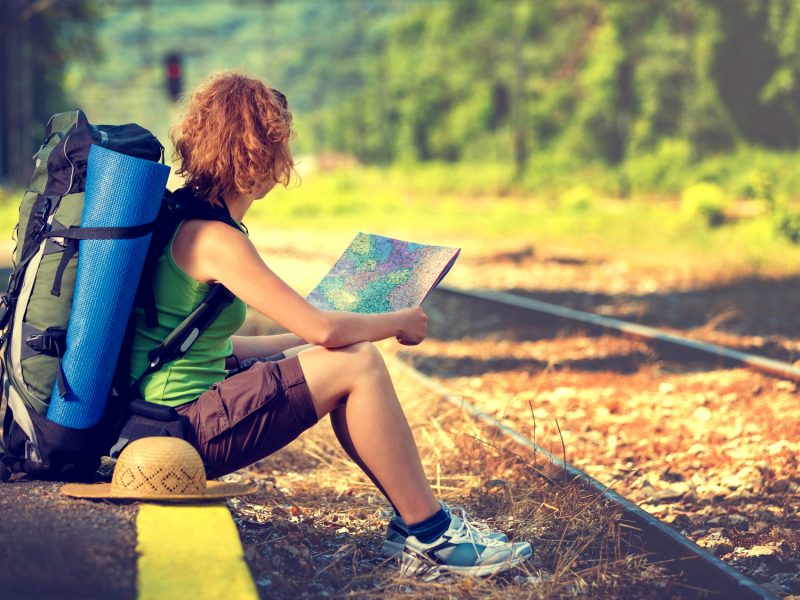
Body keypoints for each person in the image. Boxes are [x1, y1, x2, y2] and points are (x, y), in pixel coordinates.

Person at [129, 71, 532, 579]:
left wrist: (303, 341)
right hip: (181, 432)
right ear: (263, 156)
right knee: (358, 363)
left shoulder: (182, 220)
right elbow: (326, 332)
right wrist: (397, 321)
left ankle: (416, 527)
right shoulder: (216, 240)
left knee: (339, 360)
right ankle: (433, 535)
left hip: (166, 418)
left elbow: (214, 346)